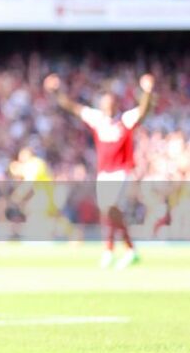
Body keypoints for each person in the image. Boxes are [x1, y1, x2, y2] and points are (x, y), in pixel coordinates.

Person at [43, 72, 155, 268]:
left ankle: (117, 250)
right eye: (105, 103)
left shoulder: (125, 120)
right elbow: (71, 106)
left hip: (121, 170)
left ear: (116, 104)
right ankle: (119, 250)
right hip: (104, 172)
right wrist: (57, 91)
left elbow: (143, 111)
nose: (108, 106)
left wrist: (147, 91)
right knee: (107, 212)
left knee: (110, 207)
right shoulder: (98, 119)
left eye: (111, 103)